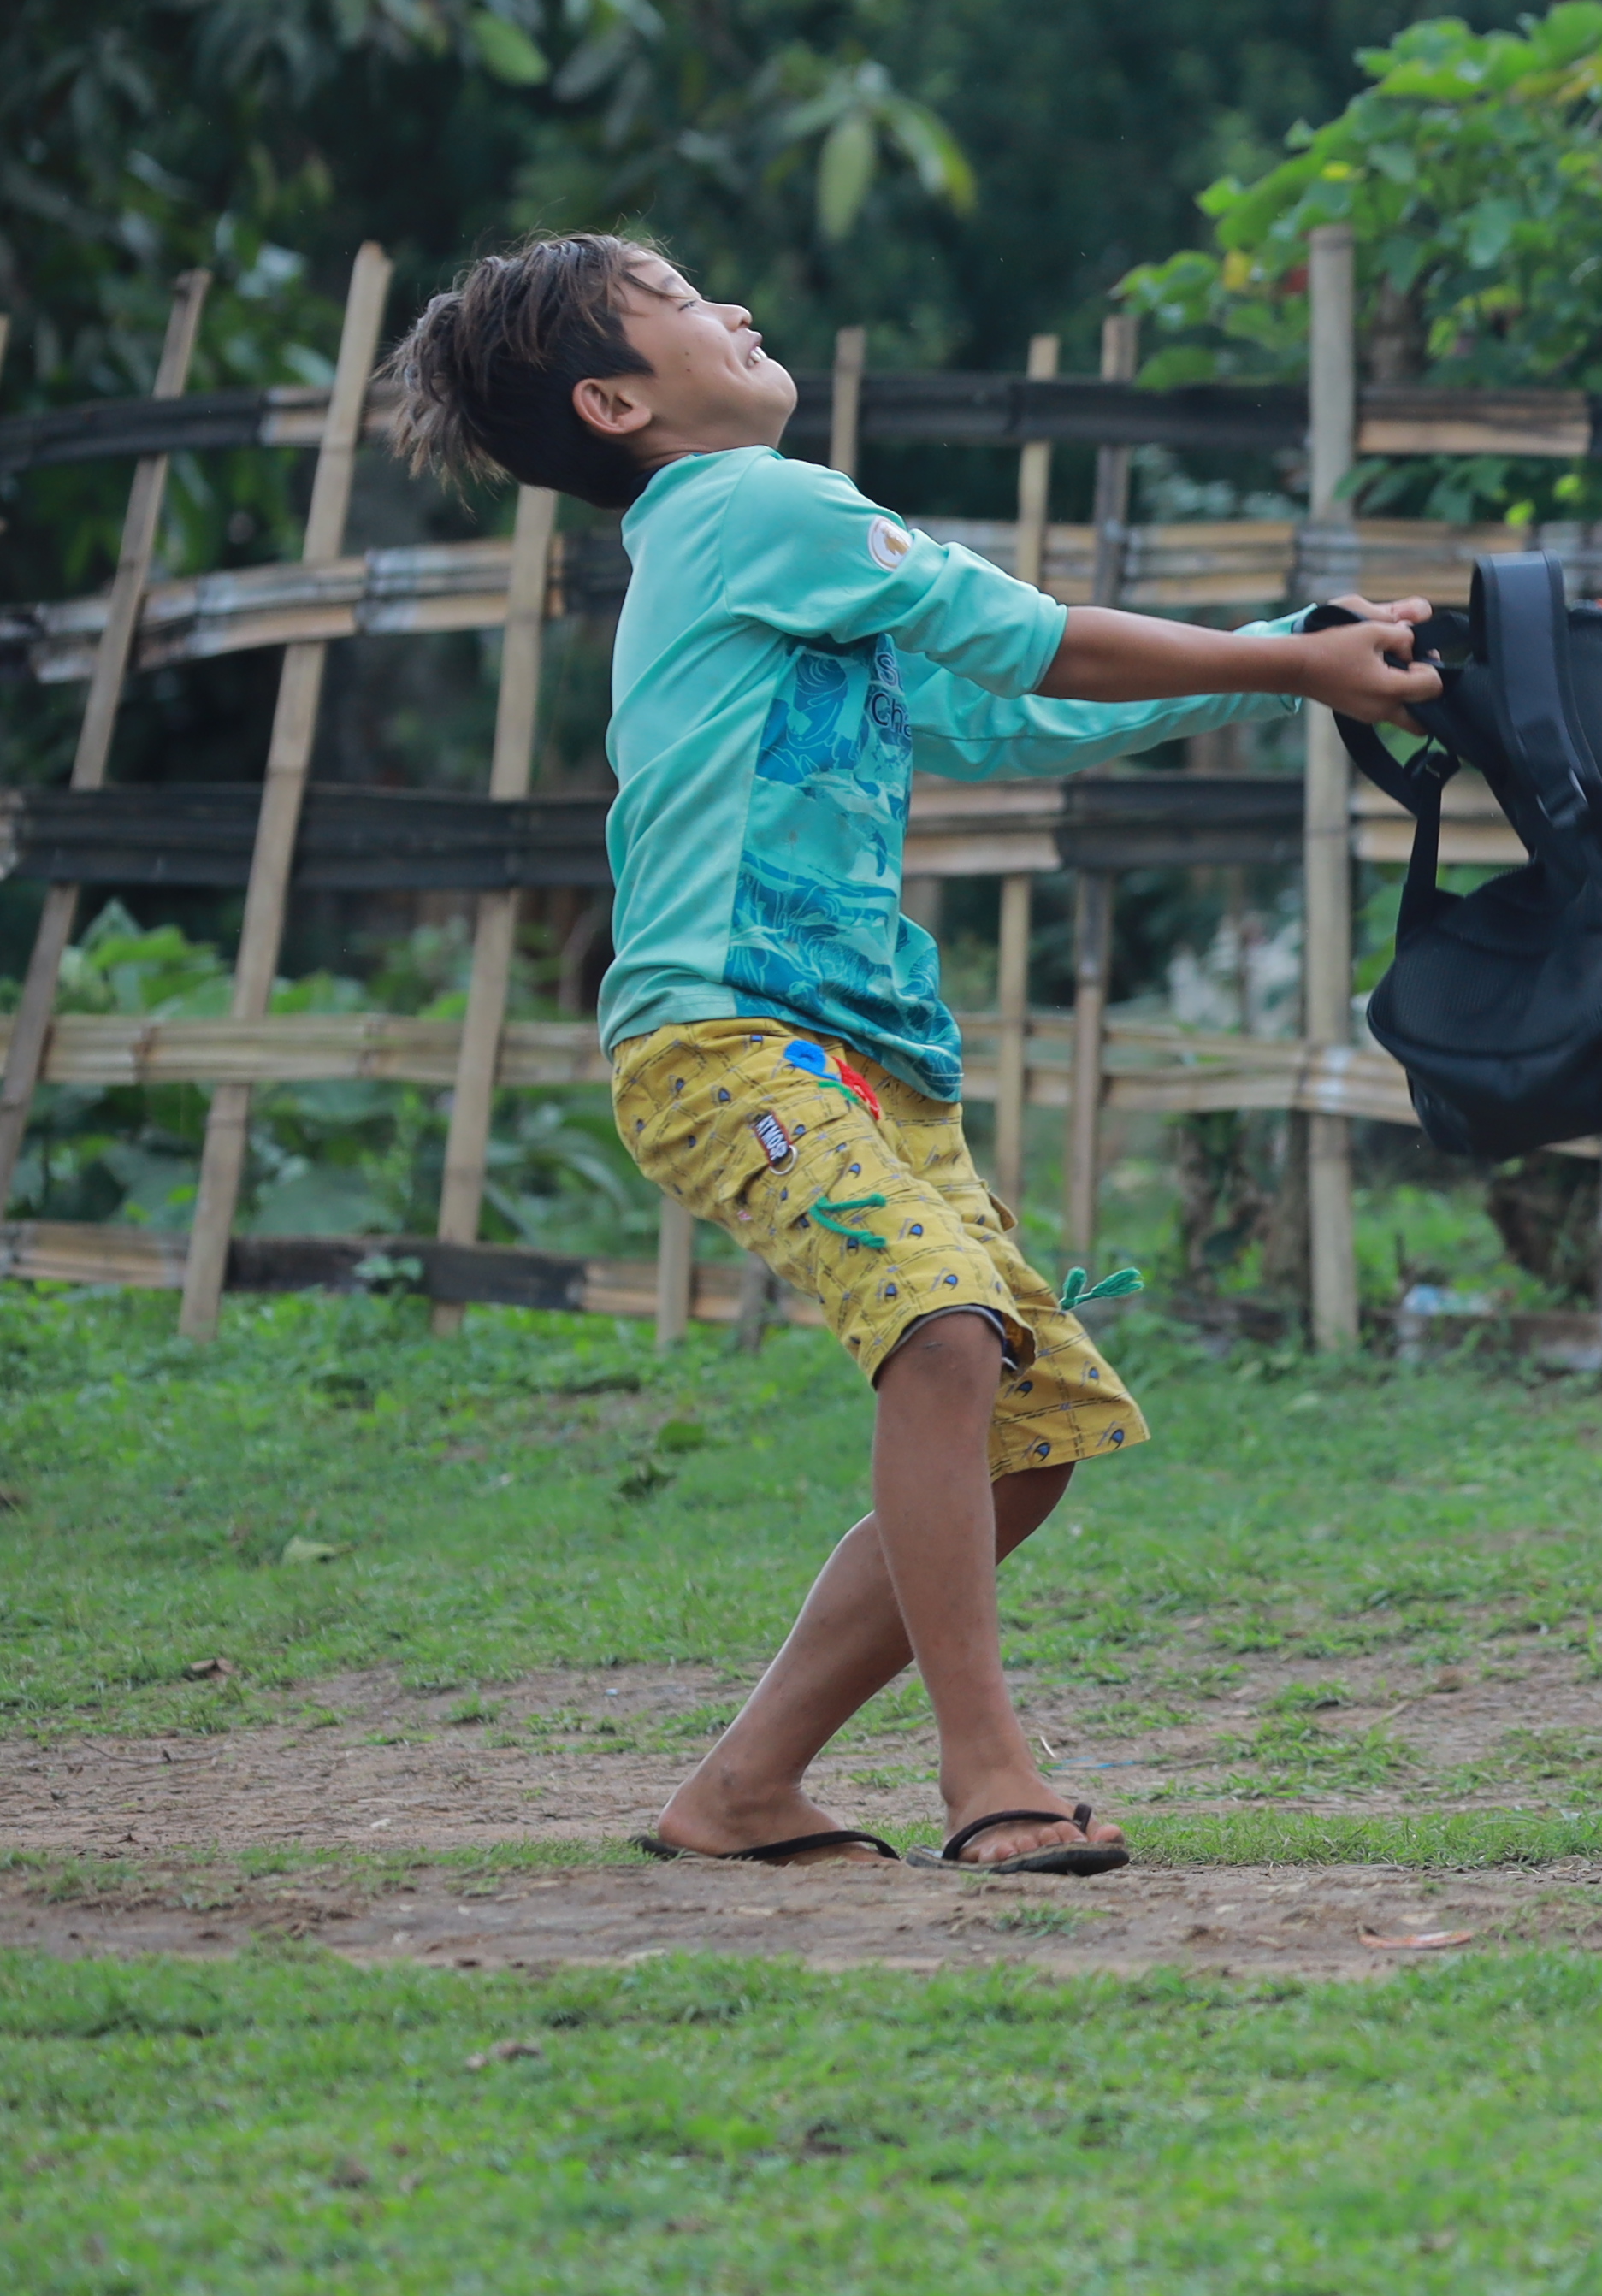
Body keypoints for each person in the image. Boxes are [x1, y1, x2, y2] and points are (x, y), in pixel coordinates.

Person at [375, 236, 1437, 1874]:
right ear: (618, 399)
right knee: (945, 1336)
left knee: (1031, 1436)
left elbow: (1018, 715)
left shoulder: (761, 564)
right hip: (731, 1037)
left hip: (865, 1057)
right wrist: (1289, 659)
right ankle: (991, 1776)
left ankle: (742, 1789)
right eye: (678, 298)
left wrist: (1297, 653)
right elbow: (1032, 640)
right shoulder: (757, 508)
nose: (731, 305)